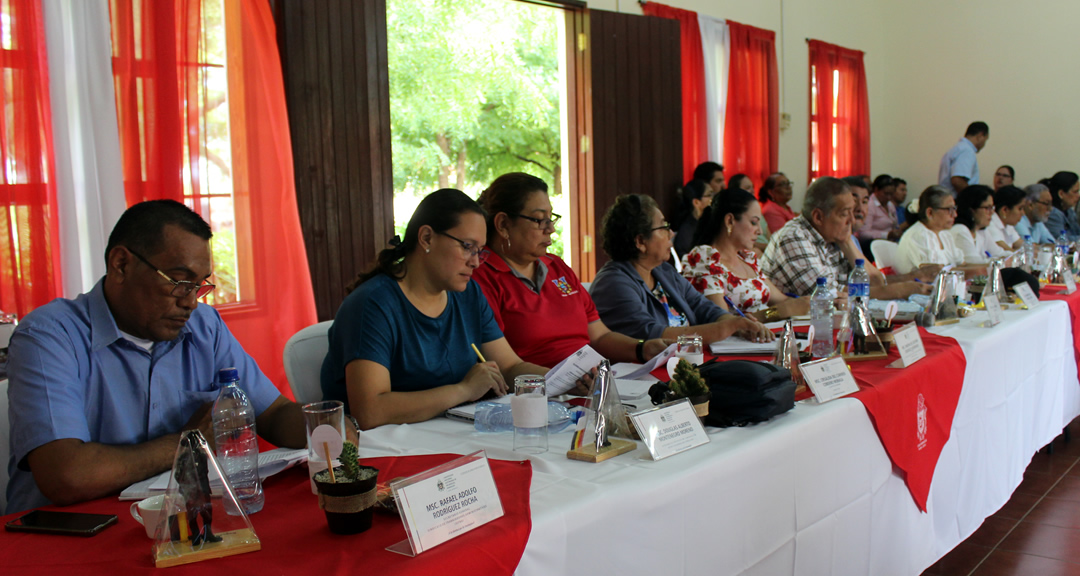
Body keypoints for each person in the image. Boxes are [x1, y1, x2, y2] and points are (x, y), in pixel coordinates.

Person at [6, 200, 312, 514]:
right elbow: (66, 476)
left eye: (199, 285)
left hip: (177, 524)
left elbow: (273, 414)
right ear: (121, 264)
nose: (191, 302)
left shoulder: (204, 327)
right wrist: (189, 442)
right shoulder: (49, 336)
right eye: (179, 282)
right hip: (65, 536)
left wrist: (329, 425)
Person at [320, 189, 547, 430]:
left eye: (480, 251)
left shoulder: (468, 294)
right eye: (467, 246)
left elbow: (510, 367)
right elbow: (370, 411)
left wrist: (567, 378)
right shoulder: (373, 305)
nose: (476, 262)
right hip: (382, 451)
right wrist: (464, 389)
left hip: (449, 437)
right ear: (427, 238)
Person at [472, 173, 669, 369]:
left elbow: (600, 336)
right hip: (538, 392)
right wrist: (568, 380)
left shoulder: (557, 267)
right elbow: (507, 366)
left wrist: (642, 348)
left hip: (591, 381)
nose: (550, 229)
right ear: (503, 224)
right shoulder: (481, 276)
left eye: (551, 219)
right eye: (540, 220)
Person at [589, 194, 772, 343]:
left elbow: (704, 308)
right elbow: (648, 334)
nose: (671, 233)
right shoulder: (614, 282)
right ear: (640, 242)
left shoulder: (663, 271)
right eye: (663, 227)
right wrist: (727, 327)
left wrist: (736, 323)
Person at [761, 177, 932, 298]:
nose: (852, 220)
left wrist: (847, 242)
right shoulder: (793, 238)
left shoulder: (835, 236)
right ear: (818, 217)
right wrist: (899, 290)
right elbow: (829, 296)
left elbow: (875, 282)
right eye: (844, 213)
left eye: (852, 211)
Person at [680, 188, 810, 322]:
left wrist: (815, 302)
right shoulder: (705, 259)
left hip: (764, 338)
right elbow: (723, 322)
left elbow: (783, 300)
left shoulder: (747, 259)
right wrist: (777, 312)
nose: (759, 231)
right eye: (754, 222)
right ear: (730, 221)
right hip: (733, 342)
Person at [897, 186, 987, 276]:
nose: (955, 215)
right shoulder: (917, 235)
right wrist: (979, 271)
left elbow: (962, 265)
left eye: (954, 209)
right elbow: (933, 274)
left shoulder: (945, 234)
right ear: (930, 213)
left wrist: (989, 267)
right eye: (949, 210)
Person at [949, 185, 1000, 264]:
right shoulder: (960, 230)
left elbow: (999, 253)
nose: (992, 212)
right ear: (972, 210)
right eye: (987, 208)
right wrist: (999, 261)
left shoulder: (981, 231)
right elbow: (974, 263)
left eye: (992, 208)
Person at [938, 121, 989, 194]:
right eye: (985, 140)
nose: (984, 144)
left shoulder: (958, 148)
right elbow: (957, 181)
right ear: (980, 135)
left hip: (947, 198)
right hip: (957, 201)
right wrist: (972, 200)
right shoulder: (966, 151)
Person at [672, 179, 715, 257]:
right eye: (709, 195)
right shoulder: (686, 233)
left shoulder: (709, 225)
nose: (713, 198)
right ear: (696, 202)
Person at [728, 173, 770, 252]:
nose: (752, 191)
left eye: (752, 187)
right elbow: (741, 241)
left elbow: (769, 236)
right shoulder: (735, 213)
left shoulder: (757, 211)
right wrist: (768, 247)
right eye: (747, 188)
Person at [859, 174, 901, 242]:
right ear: (876, 190)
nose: (889, 197)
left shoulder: (890, 205)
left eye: (891, 194)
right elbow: (863, 234)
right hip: (873, 244)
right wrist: (886, 235)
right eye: (886, 194)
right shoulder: (870, 205)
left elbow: (895, 225)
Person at [987, 185, 1026, 251]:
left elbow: (1022, 246)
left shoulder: (1008, 224)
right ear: (1005, 210)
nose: (1023, 213)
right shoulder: (990, 223)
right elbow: (1008, 252)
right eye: (1020, 208)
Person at [1045, 171, 1080, 241]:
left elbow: (1077, 233)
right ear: (1061, 194)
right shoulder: (1052, 214)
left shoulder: (1069, 211)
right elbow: (1061, 239)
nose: (1078, 196)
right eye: (1075, 192)